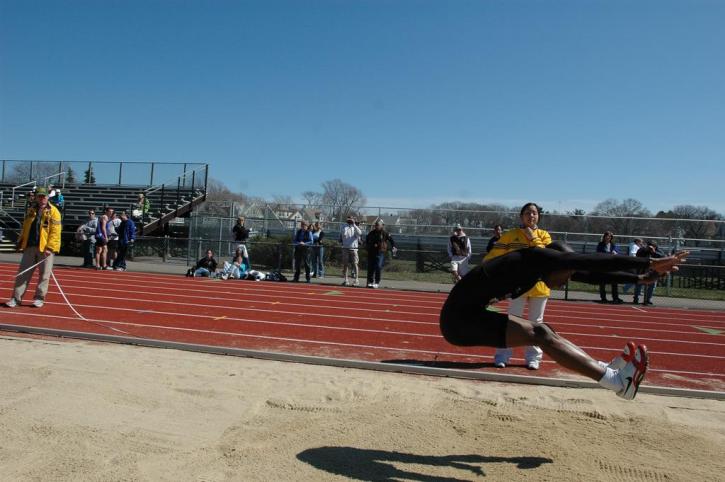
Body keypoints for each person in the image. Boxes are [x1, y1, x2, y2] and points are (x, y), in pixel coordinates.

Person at [439, 243, 688, 400]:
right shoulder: (532, 258)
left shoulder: (543, 268)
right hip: (458, 321)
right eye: (567, 273)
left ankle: (606, 371)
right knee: (539, 333)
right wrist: (648, 261)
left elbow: (590, 274)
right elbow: (589, 261)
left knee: (543, 331)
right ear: (556, 264)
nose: (568, 280)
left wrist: (640, 278)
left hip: (471, 315)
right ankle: (617, 382)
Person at [485, 202, 552, 370]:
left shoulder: (544, 235)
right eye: (528, 213)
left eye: (535, 213)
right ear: (521, 216)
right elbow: (493, 257)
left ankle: (533, 358)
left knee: (536, 323)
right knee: (512, 322)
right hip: (516, 286)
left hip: (540, 287)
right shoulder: (509, 235)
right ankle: (502, 356)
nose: (531, 216)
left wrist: (532, 237)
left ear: (539, 216)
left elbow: (545, 256)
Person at [5, 187, 62, 308]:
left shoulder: (54, 211)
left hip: (45, 248)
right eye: (40, 196)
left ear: (48, 197)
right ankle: (16, 298)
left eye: (44, 196)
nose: (42, 199)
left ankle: (39, 298)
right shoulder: (31, 210)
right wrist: (21, 242)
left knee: (44, 275)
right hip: (30, 246)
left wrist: (50, 248)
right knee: (23, 274)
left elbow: (55, 232)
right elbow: (25, 228)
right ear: (36, 197)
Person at [365, 220, 398, 289]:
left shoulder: (385, 233)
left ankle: (377, 282)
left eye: (378, 225)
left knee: (378, 267)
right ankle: (370, 282)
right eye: (375, 225)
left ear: (382, 225)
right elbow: (367, 240)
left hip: (380, 253)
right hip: (371, 252)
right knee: (371, 267)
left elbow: (392, 240)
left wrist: (394, 247)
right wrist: (367, 246)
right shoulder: (371, 233)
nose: (376, 226)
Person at [596, 231, 624, 304]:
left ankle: (615, 298)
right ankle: (603, 298)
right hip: (603, 266)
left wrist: (615, 252)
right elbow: (599, 253)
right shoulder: (600, 244)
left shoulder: (614, 245)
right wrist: (609, 253)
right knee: (602, 283)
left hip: (612, 266)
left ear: (611, 238)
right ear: (604, 237)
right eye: (607, 236)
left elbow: (617, 252)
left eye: (610, 236)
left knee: (614, 282)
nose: (608, 237)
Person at [340, 216, 362, 286]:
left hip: (354, 248)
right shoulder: (344, 226)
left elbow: (360, 233)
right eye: (348, 219)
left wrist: (354, 225)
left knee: (355, 264)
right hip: (345, 248)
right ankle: (346, 280)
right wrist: (348, 226)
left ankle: (356, 280)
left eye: (351, 219)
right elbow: (344, 234)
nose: (350, 221)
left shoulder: (355, 227)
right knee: (345, 264)